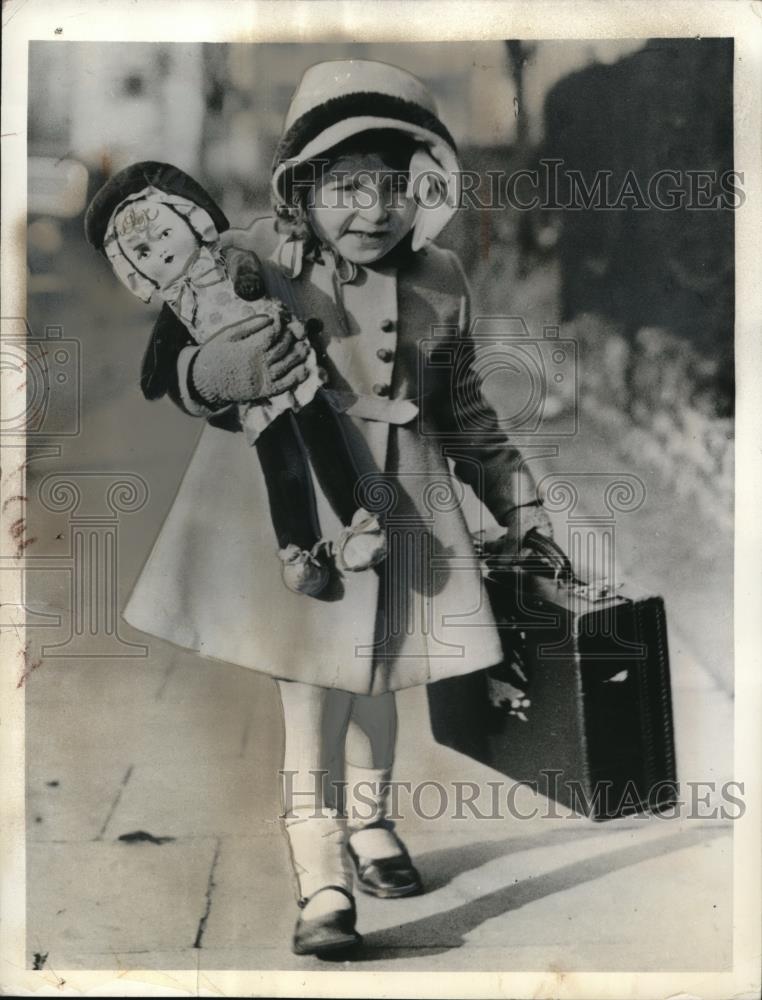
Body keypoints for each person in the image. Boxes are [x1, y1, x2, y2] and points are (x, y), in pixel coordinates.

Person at [117, 60, 553, 956]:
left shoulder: (441, 278)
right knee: (309, 696)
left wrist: (523, 509)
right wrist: (221, 374)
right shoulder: (259, 262)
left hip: (403, 517)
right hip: (305, 523)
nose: (372, 209)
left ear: (419, 191)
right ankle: (319, 877)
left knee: (380, 678)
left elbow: (463, 408)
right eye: (345, 186)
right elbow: (189, 364)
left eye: (392, 186)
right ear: (301, 190)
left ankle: (372, 823)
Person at [84, 161, 386, 597]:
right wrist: (211, 374)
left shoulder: (229, 255)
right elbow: (168, 368)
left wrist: (246, 278)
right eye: (144, 253)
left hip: (295, 367)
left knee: (324, 442)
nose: (162, 253)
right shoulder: (179, 300)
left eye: (166, 234)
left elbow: (245, 267)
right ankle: (299, 550)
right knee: (281, 468)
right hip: (256, 399)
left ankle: (357, 523)